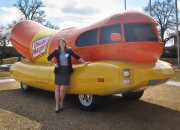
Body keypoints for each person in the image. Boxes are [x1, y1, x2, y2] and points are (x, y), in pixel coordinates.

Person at [47, 38, 87, 113]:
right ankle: (57, 106)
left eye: (63, 42)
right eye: (60, 43)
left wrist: (84, 62)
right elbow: (49, 58)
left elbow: (76, 56)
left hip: (66, 71)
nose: (61, 44)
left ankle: (61, 103)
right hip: (58, 71)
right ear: (59, 44)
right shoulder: (56, 51)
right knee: (57, 88)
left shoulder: (69, 50)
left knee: (62, 89)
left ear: (65, 43)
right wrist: (54, 65)